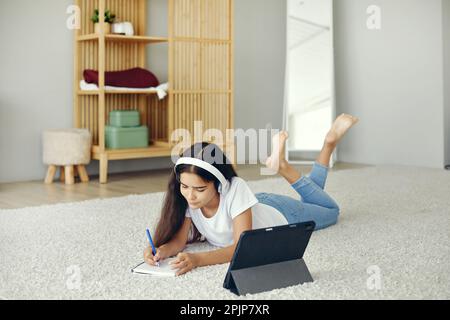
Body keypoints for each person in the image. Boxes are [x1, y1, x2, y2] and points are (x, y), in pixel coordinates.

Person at [144, 113, 359, 276]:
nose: (190, 196)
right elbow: (179, 241)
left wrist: (198, 259)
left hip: (284, 214)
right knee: (313, 200)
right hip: (254, 206)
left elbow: (242, 246)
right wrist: (162, 250)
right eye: (184, 187)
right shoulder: (189, 198)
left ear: (219, 184)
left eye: (199, 189)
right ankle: (327, 146)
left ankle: (288, 164)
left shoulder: (235, 187)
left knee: (331, 211)